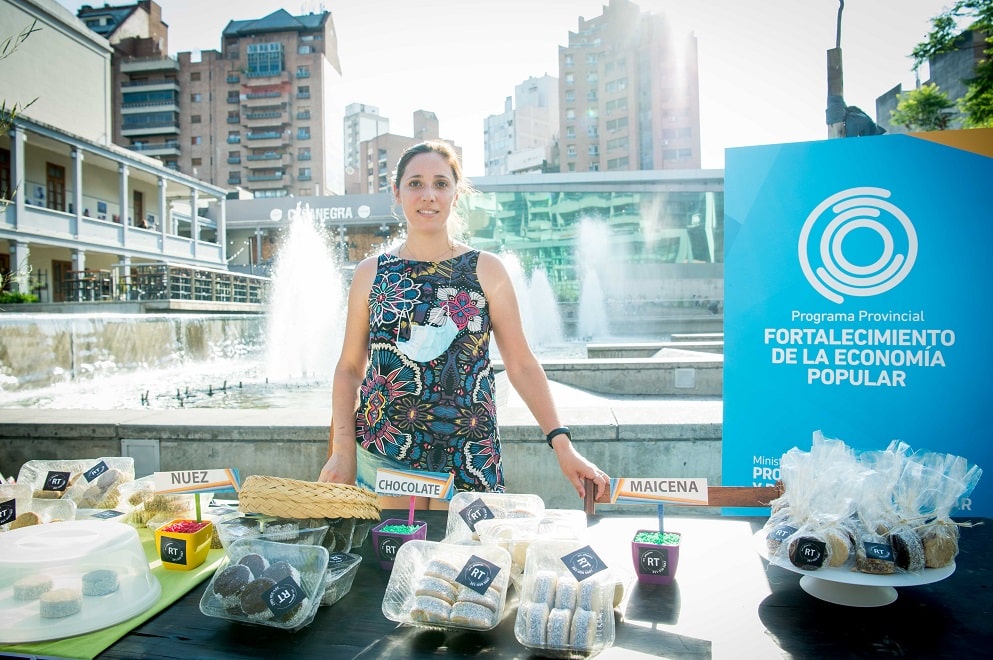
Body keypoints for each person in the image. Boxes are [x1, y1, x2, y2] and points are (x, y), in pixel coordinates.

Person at [319, 140, 610, 509]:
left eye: (441, 184)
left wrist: (563, 445)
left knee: (461, 548)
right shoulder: (371, 273)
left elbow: (521, 364)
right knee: (390, 548)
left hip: (468, 453)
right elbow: (349, 369)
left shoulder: (487, 269)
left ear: (456, 195)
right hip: (386, 452)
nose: (428, 195)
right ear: (396, 192)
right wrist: (343, 449)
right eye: (415, 183)